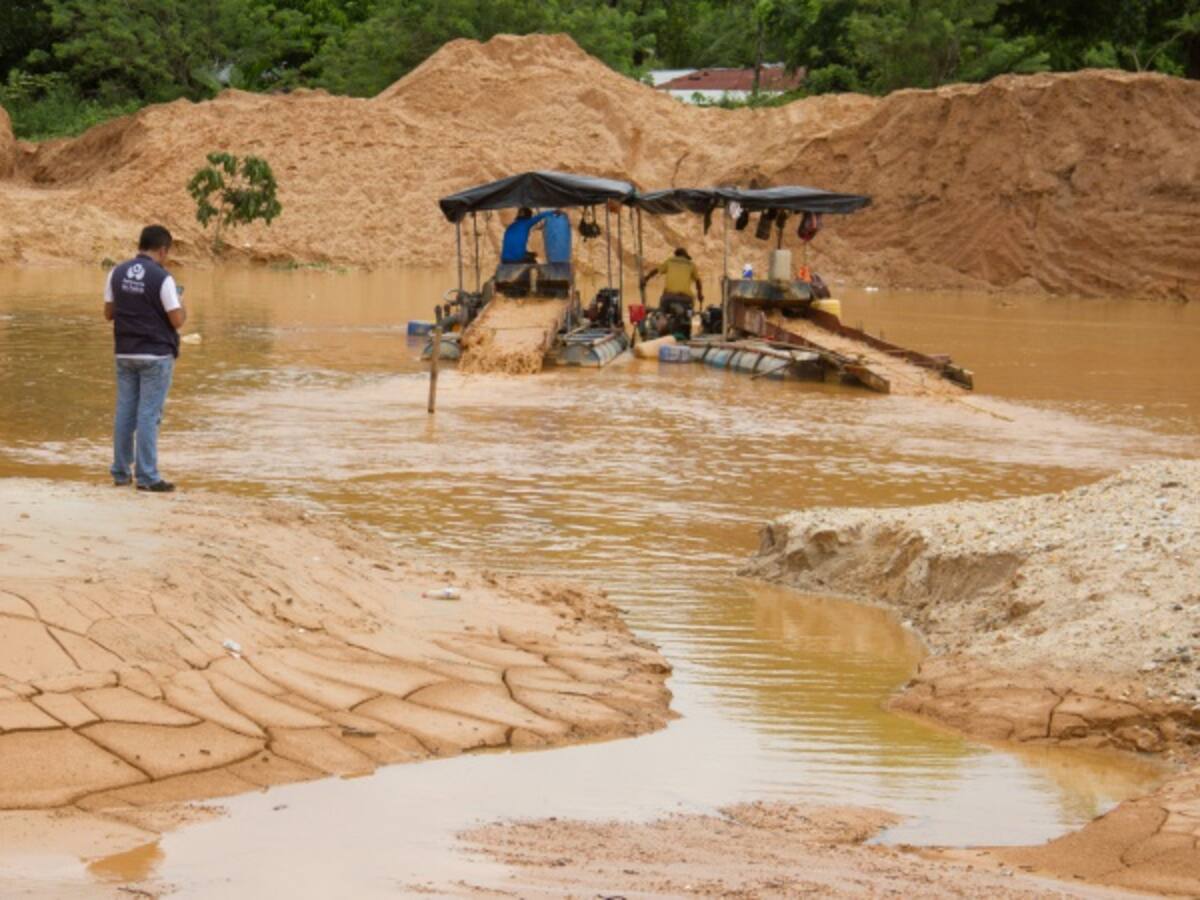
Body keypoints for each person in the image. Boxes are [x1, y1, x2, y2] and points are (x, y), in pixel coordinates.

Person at [104, 225, 186, 493]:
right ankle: (148, 477)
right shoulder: (163, 279)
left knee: (125, 411)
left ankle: (120, 473)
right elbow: (177, 320)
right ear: (162, 250)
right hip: (155, 355)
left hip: (125, 352)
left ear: (140, 245)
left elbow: (108, 313)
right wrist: (181, 302)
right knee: (149, 415)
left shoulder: (116, 272)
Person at [640, 247, 704, 338]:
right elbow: (698, 281)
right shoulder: (691, 264)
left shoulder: (670, 261)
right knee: (689, 312)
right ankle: (686, 328)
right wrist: (700, 295)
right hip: (685, 299)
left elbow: (656, 271)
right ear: (685, 256)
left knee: (662, 311)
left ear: (676, 255)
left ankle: (661, 322)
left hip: (668, 297)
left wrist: (645, 279)